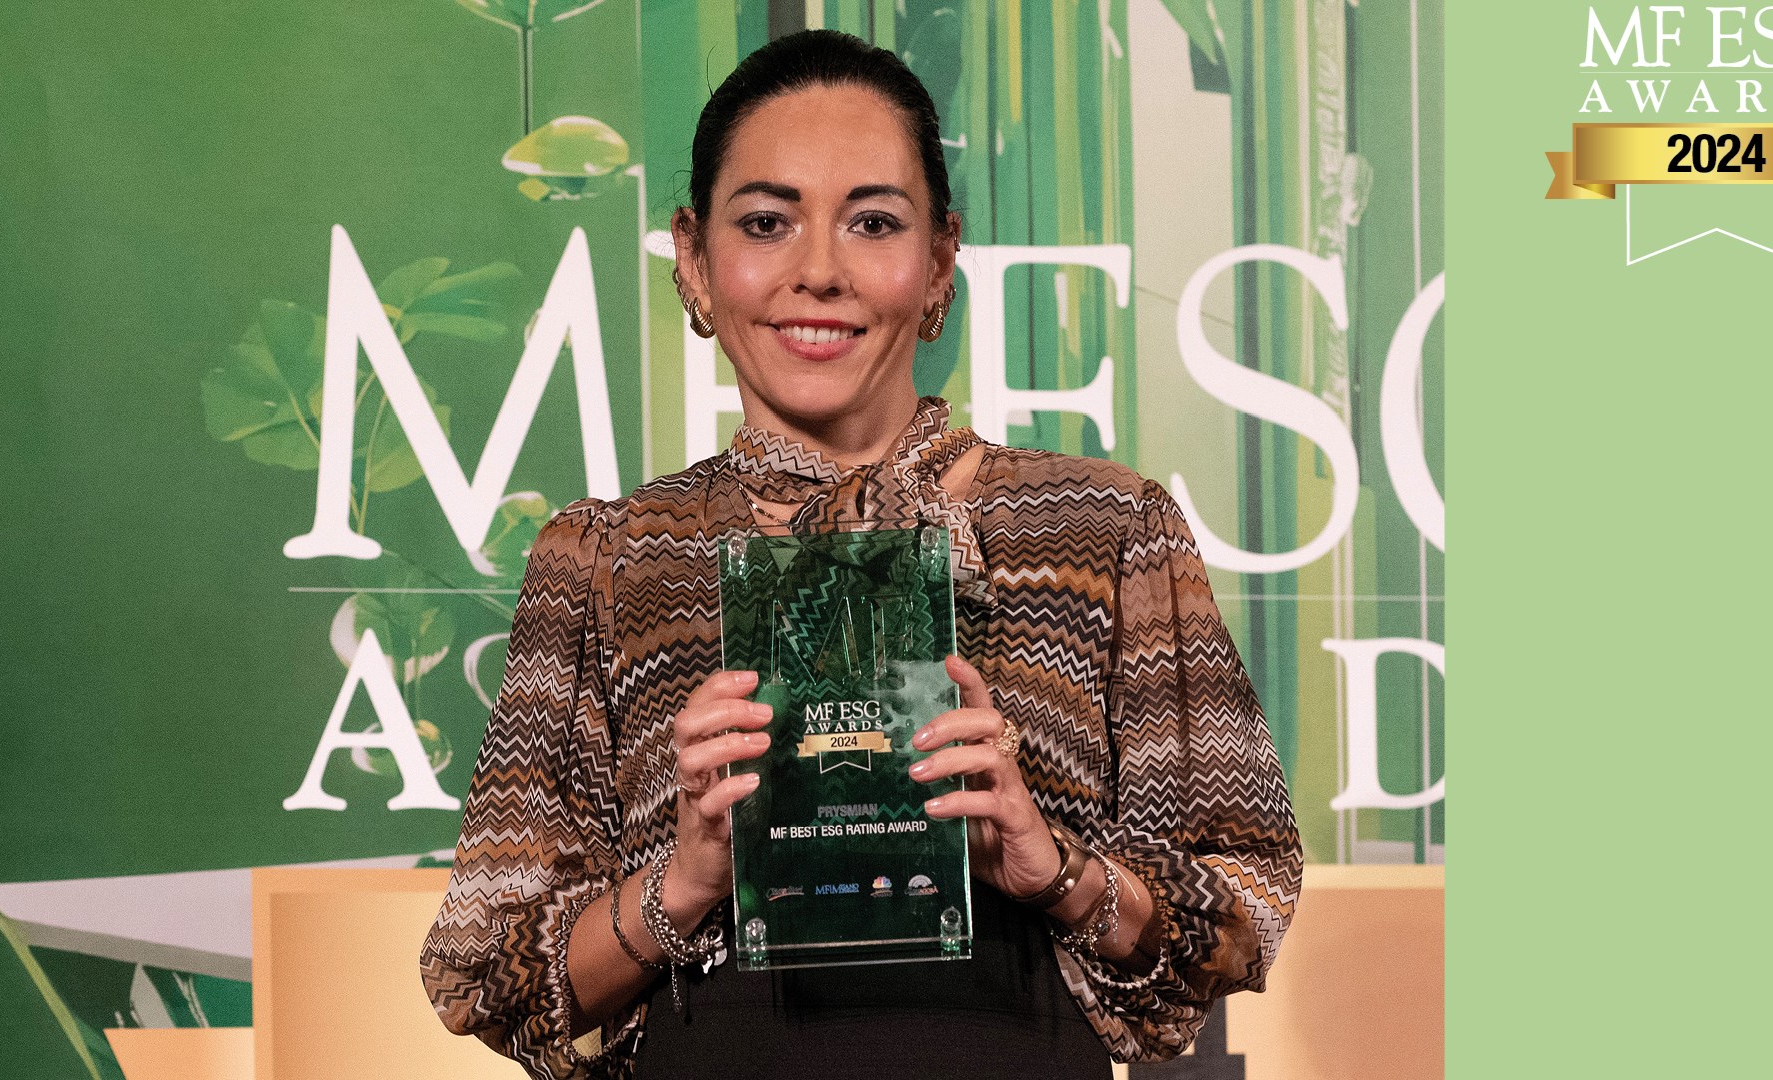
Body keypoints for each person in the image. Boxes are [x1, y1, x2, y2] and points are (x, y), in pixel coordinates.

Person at [421, 29, 1301, 1080]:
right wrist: (687, 880)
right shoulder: (606, 562)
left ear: (939, 263)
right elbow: (487, 978)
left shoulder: (1104, 529)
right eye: (767, 223)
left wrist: (1053, 868)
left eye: (873, 223)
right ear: (694, 260)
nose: (819, 273)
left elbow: (1241, 913)